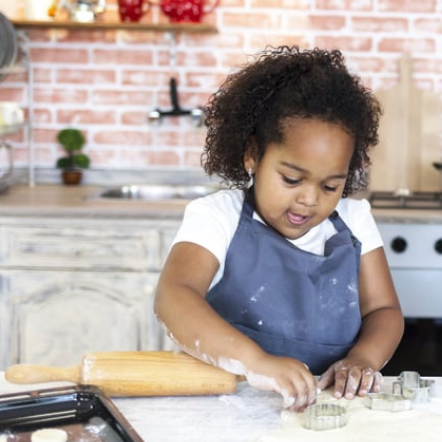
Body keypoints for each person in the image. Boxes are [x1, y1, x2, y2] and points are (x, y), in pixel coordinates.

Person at [154, 46, 404, 410]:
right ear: (253, 155)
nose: (308, 199)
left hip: (325, 408)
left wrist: (364, 358)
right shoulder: (217, 216)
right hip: (227, 404)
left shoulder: (354, 221)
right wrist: (255, 362)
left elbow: (384, 311)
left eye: (330, 186)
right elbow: (173, 296)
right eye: (291, 179)